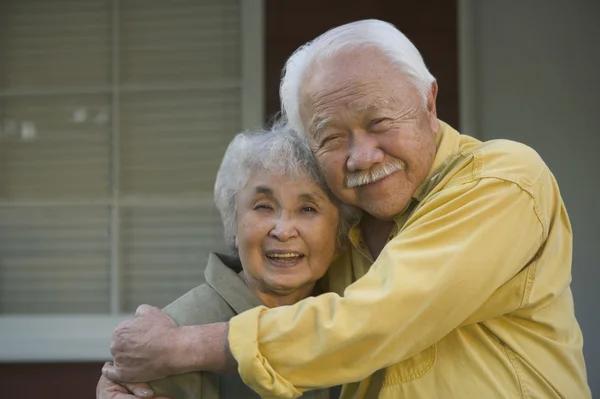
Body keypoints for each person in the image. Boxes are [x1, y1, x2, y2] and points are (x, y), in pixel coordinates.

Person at [102, 19, 591, 398]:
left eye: (379, 122)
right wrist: (130, 380)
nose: (362, 156)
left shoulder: (501, 179)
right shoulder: (344, 225)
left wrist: (181, 347)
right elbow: (270, 303)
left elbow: (376, 318)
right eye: (332, 138)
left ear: (429, 101)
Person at [97, 124, 355, 399]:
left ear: (341, 232)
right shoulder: (166, 340)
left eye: (307, 209)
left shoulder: (352, 317)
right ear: (234, 222)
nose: (283, 230)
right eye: (263, 206)